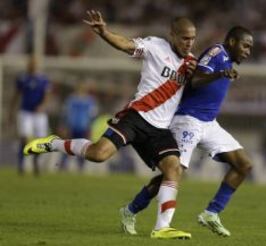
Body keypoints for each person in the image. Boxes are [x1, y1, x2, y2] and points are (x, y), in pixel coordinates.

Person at [23, 10, 197, 239]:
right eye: (185, 38)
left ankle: (161, 227)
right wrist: (104, 32)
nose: (189, 43)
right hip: (136, 117)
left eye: (192, 38)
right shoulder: (156, 46)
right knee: (98, 154)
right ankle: (54, 143)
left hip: (160, 129)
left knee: (173, 169)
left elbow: (205, 84)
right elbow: (126, 45)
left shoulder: (192, 64)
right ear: (172, 35)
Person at [120, 26, 254, 237]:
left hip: (209, 123)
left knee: (244, 165)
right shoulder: (216, 53)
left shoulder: (227, 60)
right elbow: (195, 80)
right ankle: (131, 210)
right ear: (231, 42)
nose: (248, 51)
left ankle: (212, 213)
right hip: (188, 121)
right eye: (245, 46)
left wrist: (222, 73)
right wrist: (220, 74)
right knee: (173, 173)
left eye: (250, 48)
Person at [9, 55, 51, 176]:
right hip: (25, 112)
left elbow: (47, 95)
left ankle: (35, 163)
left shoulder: (43, 79)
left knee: (40, 141)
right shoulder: (22, 78)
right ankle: (21, 165)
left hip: (39, 114)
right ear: (28, 65)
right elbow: (16, 95)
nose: (32, 65)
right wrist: (11, 112)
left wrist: (42, 105)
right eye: (31, 63)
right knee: (24, 138)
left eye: (34, 63)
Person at [58, 82, 98, 172]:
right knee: (67, 147)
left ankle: (80, 167)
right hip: (71, 127)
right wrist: (63, 126)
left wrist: (90, 128)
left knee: (82, 148)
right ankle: (62, 166)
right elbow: (65, 114)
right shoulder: (71, 99)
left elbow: (92, 116)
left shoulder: (90, 101)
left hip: (83, 127)